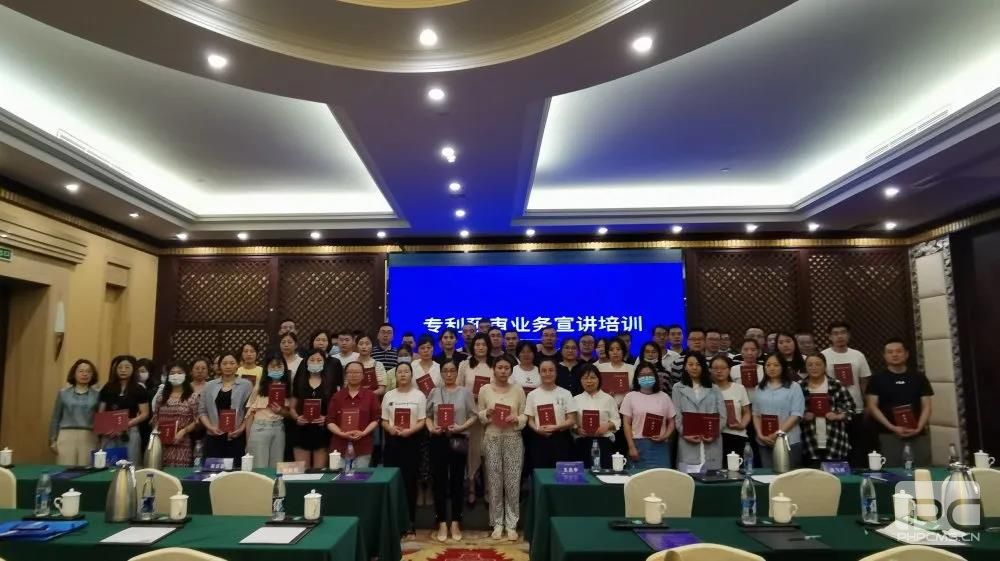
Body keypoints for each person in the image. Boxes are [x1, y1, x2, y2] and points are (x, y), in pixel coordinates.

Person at [426, 361, 478, 542]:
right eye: (445, 371)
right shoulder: (434, 392)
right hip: (438, 439)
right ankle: (441, 521)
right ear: (441, 373)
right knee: (439, 481)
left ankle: (456, 521)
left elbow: (474, 415)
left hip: (458, 438)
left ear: (457, 372)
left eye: (452, 371)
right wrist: (431, 428)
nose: (449, 374)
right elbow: (428, 416)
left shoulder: (465, 392)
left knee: (457, 480)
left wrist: (461, 427)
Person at [477, 355, 527, 541]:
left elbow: (525, 415)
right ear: (494, 369)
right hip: (492, 438)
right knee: (494, 482)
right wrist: (487, 413)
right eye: (500, 367)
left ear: (511, 370)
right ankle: (497, 523)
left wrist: (517, 419)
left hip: (512, 438)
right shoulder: (484, 390)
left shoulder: (518, 390)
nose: (503, 371)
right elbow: (479, 415)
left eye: (507, 368)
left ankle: (512, 524)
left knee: (513, 482)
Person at [865, 339, 933, 468]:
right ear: (884, 356)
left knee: (922, 469)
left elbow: (927, 406)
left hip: (917, 433)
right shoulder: (877, 379)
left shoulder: (919, 377)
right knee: (891, 470)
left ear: (906, 354)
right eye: (890, 352)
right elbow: (872, 407)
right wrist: (892, 427)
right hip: (887, 433)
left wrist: (919, 428)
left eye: (898, 351)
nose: (894, 355)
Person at [382, 362, 427, 538]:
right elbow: (384, 420)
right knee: (393, 483)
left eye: (406, 371)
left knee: (410, 483)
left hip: (412, 442)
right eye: (399, 372)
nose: (402, 374)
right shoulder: (389, 395)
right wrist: (390, 429)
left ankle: (410, 523)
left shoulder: (419, 395)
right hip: (393, 443)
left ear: (411, 375)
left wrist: (410, 431)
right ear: (395, 376)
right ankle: (394, 524)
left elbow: (422, 420)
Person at [821, 321, 873, 467]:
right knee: (836, 449)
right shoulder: (823, 355)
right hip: (833, 411)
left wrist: (867, 405)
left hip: (856, 409)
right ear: (829, 336)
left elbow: (864, 382)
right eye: (835, 333)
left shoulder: (858, 355)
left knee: (857, 448)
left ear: (849, 335)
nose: (840, 336)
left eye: (843, 333)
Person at [673, 352, 726, 470]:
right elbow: (677, 416)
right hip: (688, 440)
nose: (694, 367)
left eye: (698, 364)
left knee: (712, 475)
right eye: (690, 364)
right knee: (688, 477)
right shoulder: (677, 388)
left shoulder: (714, 388)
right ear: (685, 367)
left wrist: (714, 433)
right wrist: (685, 433)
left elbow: (722, 415)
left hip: (712, 440)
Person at [799, 353, 854, 467]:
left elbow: (851, 407)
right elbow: (792, 412)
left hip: (835, 441)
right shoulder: (800, 386)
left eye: (818, 364)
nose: (814, 367)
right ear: (806, 367)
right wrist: (803, 415)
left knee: (835, 477)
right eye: (810, 365)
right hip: (809, 442)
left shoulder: (836, 384)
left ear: (825, 366)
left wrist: (838, 416)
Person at [198, 352, 254, 462]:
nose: (228, 366)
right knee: (212, 469)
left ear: (238, 365)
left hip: (236, 436)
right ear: (219, 366)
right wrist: (210, 427)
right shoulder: (209, 386)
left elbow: (249, 411)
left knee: (235, 470)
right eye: (224, 363)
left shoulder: (246, 385)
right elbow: (202, 411)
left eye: (232, 363)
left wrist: (241, 429)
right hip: (213, 436)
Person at [752, 354, 805, 468]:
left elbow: (796, 414)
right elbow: (756, 414)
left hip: (788, 440)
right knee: (767, 475)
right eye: (768, 365)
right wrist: (760, 435)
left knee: (788, 475)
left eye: (776, 365)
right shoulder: (759, 388)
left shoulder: (794, 387)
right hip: (764, 441)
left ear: (783, 367)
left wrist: (777, 434)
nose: (771, 368)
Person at [457, 333, 492, 505]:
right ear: (473, 346)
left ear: (488, 346)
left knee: (488, 453)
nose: (480, 347)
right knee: (472, 452)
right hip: (470, 415)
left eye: (483, 344)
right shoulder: (465, 364)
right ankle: (471, 487)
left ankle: (488, 489)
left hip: (489, 415)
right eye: (477, 344)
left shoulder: (494, 364)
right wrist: (471, 396)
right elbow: (458, 388)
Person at [621, 363, 676, 468]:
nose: (646, 377)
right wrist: (631, 446)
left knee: (663, 476)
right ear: (637, 378)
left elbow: (672, 422)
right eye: (642, 375)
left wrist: (665, 436)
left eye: (650, 374)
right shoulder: (630, 396)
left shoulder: (664, 397)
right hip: (638, 445)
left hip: (661, 445)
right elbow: (626, 424)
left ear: (655, 376)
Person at [525, 358, 578, 468]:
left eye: (551, 370)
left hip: (561, 439)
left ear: (556, 372)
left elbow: (572, 419)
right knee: (540, 473)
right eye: (544, 371)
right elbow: (530, 420)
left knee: (560, 474)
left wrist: (556, 427)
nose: (547, 373)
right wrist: (537, 429)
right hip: (539, 439)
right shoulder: (532, 395)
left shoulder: (566, 393)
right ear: (539, 373)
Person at [327, 361, 381, 467]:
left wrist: (363, 432)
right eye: (350, 372)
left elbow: (375, 419)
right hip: (339, 446)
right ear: (345, 375)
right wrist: (342, 433)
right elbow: (330, 421)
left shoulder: (371, 396)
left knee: (361, 476)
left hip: (363, 445)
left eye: (357, 372)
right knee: (340, 476)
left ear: (363, 375)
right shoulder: (337, 396)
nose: (353, 375)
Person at [98, 355, 150, 464]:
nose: (123, 370)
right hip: (109, 432)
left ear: (133, 369)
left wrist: (125, 424)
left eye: (127, 367)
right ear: (115, 370)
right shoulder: (108, 387)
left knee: (130, 464)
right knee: (108, 463)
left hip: (130, 430)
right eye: (120, 367)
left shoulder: (139, 389)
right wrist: (107, 428)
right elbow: (101, 411)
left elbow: (145, 413)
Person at [245, 352, 292, 469]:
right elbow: (250, 414)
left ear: (284, 368)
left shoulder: (288, 387)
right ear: (266, 368)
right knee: (260, 468)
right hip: (260, 428)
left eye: (279, 366)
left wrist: (281, 411)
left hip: (279, 429)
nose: (276, 369)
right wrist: (248, 440)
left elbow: (291, 413)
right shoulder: (259, 387)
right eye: (272, 366)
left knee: (276, 467)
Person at [49, 359, 100, 465]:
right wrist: (52, 439)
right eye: (81, 371)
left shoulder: (97, 395)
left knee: (86, 469)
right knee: (65, 469)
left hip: (89, 436)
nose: (84, 374)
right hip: (66, 435)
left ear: (92, 375)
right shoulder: (63, 393)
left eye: (88, 371)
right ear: (74, 373)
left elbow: (100, 418)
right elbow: (56, 417)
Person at [291, 349, 336, 469]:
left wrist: (326, 418)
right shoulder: (299, 381)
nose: (315, 362)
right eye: (312, 360)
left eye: (319, 360)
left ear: (324, 363)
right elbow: (292, 407)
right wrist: (297, 418)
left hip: (322, 432)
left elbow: (335, 409)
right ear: (306, 362)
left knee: (319, 471)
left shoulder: (330, 383)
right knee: (302, 472)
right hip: (301, 431)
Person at [572, 364, 621, 469]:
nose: (589, 381)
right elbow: (572, 423)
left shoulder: (608, 399)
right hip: (582, 443)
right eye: (585, 378)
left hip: (604, 443)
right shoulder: (575, 400)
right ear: (580, 380)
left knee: (604, 473)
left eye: (593, 377)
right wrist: (577, 430)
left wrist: (607, 426)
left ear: (599, 379)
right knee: (584, 474)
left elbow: (617, 421)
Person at [154, 362, 201, 467]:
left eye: (179, 373)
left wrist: (183, 431)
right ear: (168, 376)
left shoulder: (192, 397)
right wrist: (157, 433)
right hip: (162, 442)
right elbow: (155, 418)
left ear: (185, 375)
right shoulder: (161, 397)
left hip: (183, 442)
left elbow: (196, 420)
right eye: (172, 373)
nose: (176, 375)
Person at [710, 355, 751, 460]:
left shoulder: (739, 388)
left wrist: (742, 425)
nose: (719, 371)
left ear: (729, 370)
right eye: (715, 368)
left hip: (736, 435)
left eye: (723, 368)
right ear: (710, 370)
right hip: (713, 437)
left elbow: (747, 412)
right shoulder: (707, 390)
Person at [598, 337, 635, 407]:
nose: (615, 352)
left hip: (627, 407)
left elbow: (636, 390)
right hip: (604, 406)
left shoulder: (632, 368)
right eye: (611, 350)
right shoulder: (600, 368)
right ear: (607, 352)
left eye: (618, 349)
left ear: (623, 351)